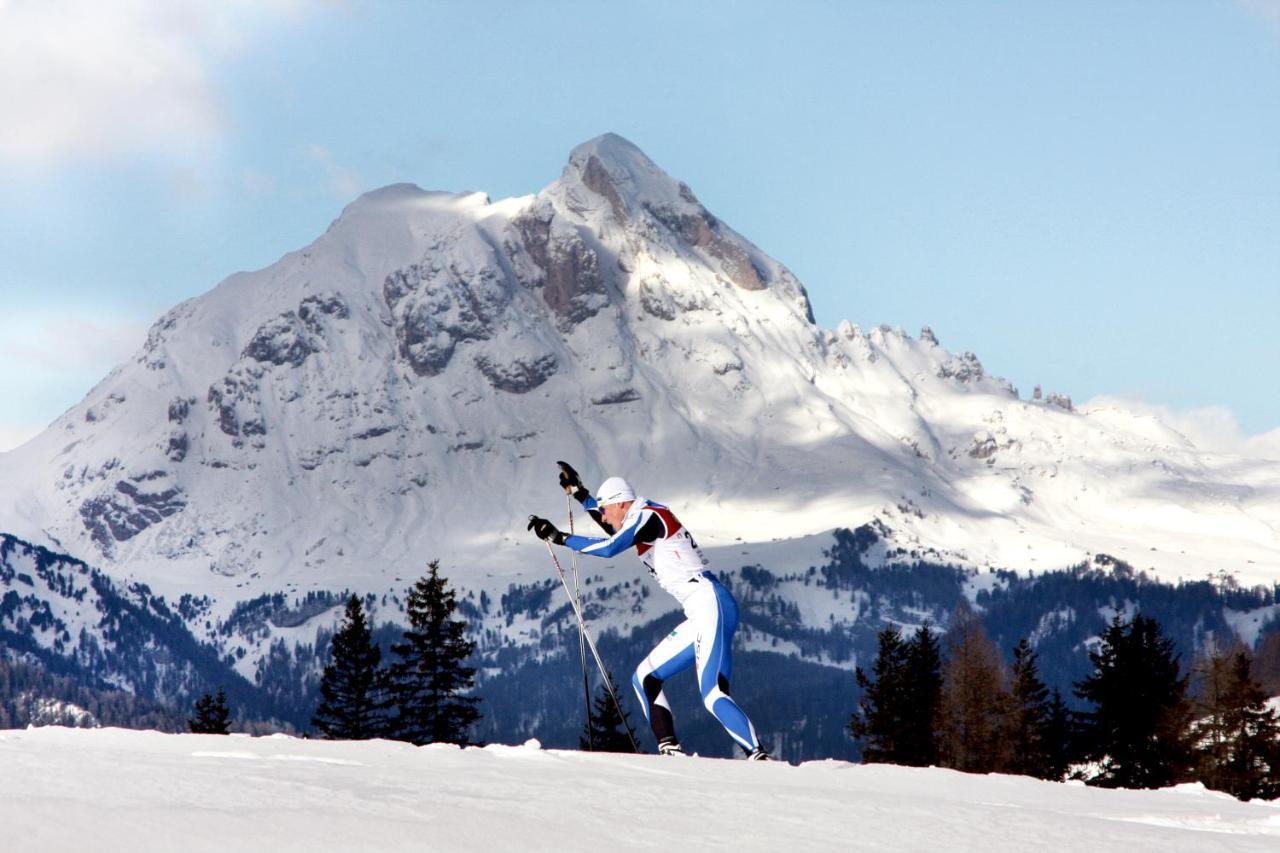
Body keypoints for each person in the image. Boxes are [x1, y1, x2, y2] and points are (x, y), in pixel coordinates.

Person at [527, 462, 769, 760]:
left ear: (621, 504)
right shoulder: (641, 517)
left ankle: (758, 755)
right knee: (645, 678)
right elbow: (612, 527)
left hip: (710, 603)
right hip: (701, 609)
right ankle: (671, 751)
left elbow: (610, 546)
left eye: (605, 509)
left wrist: (559, 537)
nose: (602, 515)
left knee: (713, 694)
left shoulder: (647, 515)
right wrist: (580, 494)